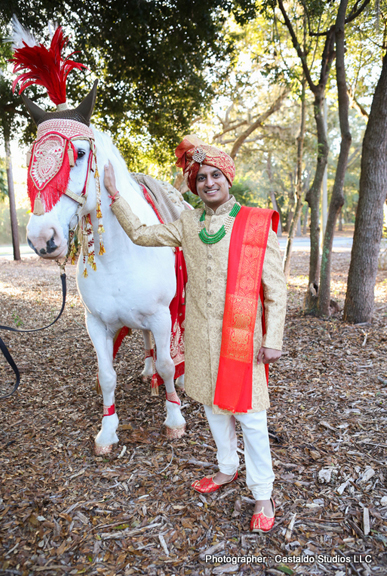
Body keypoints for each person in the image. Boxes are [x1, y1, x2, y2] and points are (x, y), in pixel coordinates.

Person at [104, 135, 287, 533]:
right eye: (201, 177)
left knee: (251, 417)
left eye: (215, 175)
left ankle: (263, 493)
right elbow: (142, 234)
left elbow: (275, 288)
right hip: (201, 336)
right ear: (195, 185)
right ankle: (226, 469)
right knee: (211, 407)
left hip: (243, 338)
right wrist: (116, 197)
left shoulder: (254, 223)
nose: (208, 182)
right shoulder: (189, 222)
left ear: (228, 178)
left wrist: (273, 338)